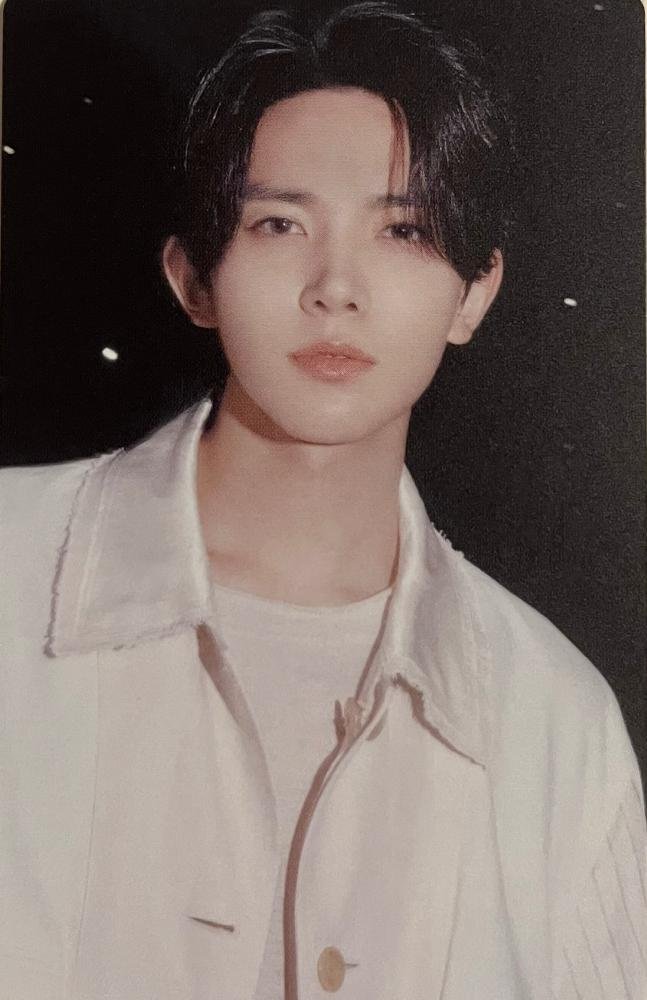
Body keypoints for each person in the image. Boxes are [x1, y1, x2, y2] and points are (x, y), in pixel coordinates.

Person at [1, 3, 645, 998]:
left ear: (474, 292)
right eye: (279, 223)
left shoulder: (555, 724)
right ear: (193, 275)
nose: (335, 287)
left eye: (402, 230)